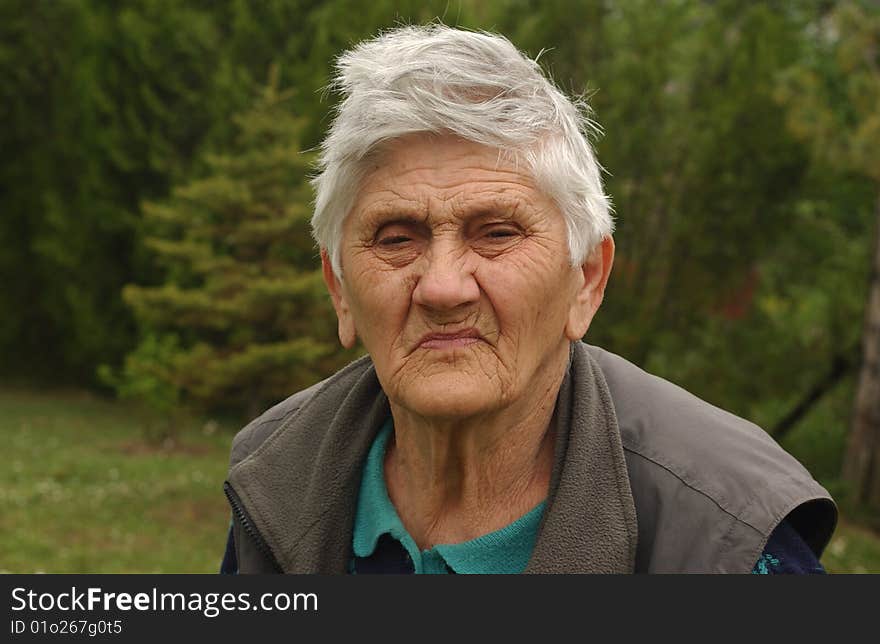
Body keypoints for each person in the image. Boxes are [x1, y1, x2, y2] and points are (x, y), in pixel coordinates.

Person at [221, 24, 836, 574]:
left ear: (587, 280)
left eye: (497, 233)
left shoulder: (725, 537)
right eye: (396, 238)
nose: (442, 287)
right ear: (340, 290)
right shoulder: (278, 474)